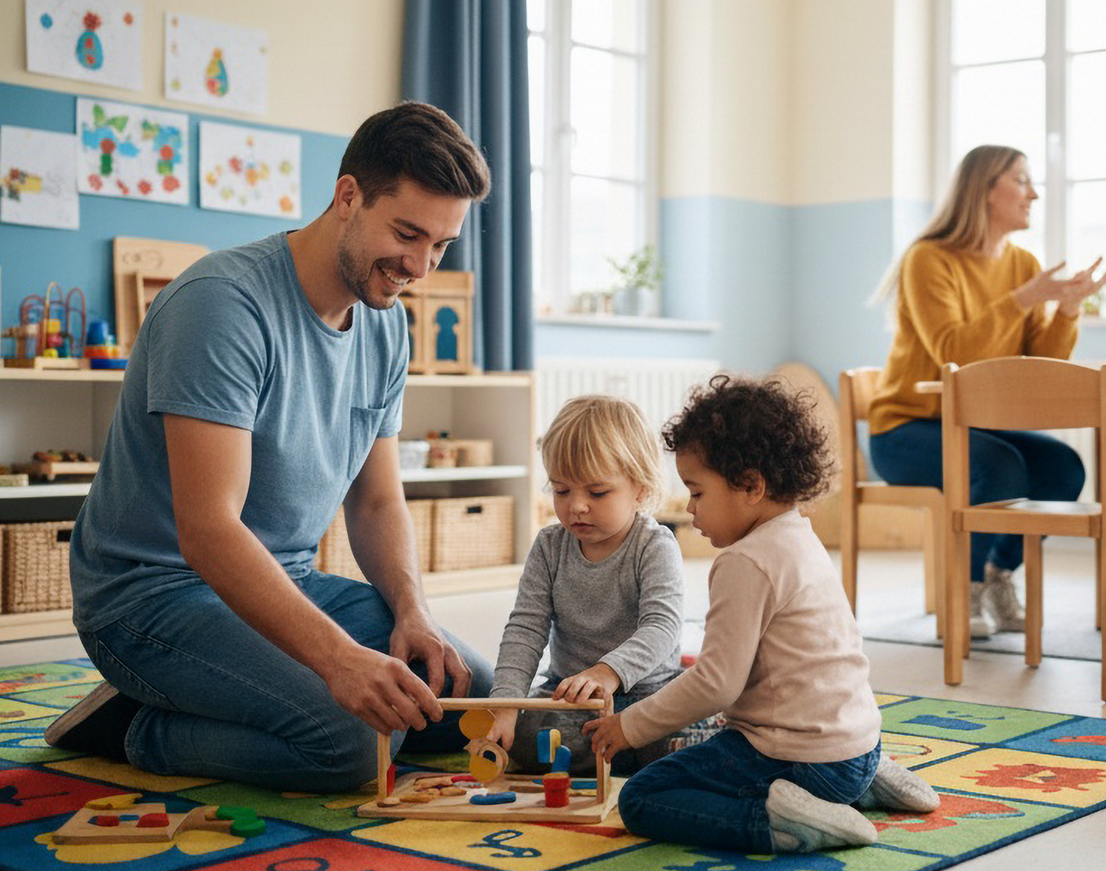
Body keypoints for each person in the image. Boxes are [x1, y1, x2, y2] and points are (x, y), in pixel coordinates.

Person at [45, 101, 497, 790]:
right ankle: (133, 725)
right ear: (348, 196)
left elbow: (376, 504)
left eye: (440, 245)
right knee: (349, 741)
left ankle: (236, 694)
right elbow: (208, 532)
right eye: (408, 233)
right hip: (151, 597)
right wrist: (339, 659)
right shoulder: (221, 306)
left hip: (285, 580)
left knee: (461, 694)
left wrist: (413, 610)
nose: (420, 266)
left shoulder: (386, 327)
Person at [582, 375, 939, 854]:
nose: (690, 509)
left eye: (698, 492)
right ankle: (866, 781)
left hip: (802, 761)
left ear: (750, 485)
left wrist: (630, 726)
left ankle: (788, 820)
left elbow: (714, 685)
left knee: (645, 796)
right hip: (857, 744)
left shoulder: (744, 561)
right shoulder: (800, 536)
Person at [867, 144, 1106, 638]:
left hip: (975, 427)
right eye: (1022, 180)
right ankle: (964, 590)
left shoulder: (1022, 263)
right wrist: (1024, 298)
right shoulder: (928, 259)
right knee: (999, 467)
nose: (1035, 193)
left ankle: (998, 575)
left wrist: (1066, 310)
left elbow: (1039, 359)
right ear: (984, 190)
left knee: (1063, 470)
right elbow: (950, 352)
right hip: (904, 429)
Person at [484, 395, 699, 776]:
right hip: (572, 700)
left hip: (649, 693)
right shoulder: (550, 546)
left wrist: (607, 672)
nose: (576, 506)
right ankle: (624, 754)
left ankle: (640, 750)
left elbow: (662, 626)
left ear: (641, 488)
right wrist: (505, 704)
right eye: (562, 490)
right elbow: (525, 629)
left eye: (597, 492)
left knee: (688, 719)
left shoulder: (654, 545)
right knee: (525, 731)